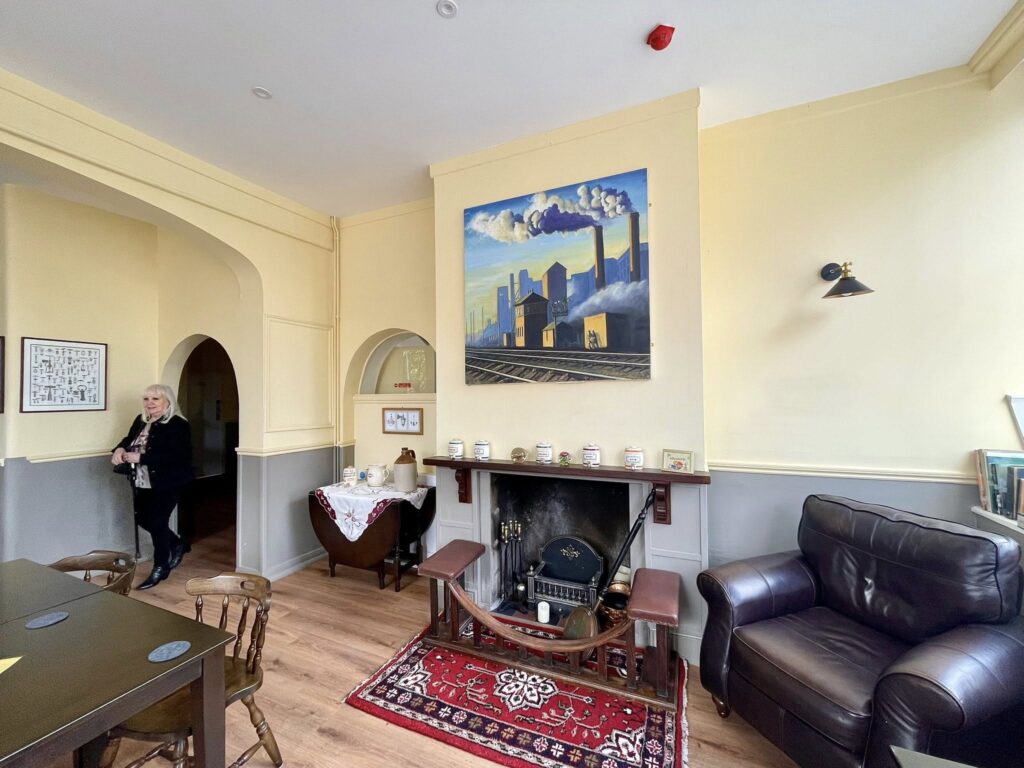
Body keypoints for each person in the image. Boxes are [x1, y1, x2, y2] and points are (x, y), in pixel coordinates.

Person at [112, 384, 194, 590]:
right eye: (147, 399)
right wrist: (119, 449)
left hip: (168, 481)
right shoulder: (141, 421)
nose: (150, 404)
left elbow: (177, 456)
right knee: (143, 518)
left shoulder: (178, 424)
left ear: (167, 401)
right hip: (142, 480)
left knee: (157, 521)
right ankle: (177, 543)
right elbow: (128, 440)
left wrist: (141, 457)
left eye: (155, 399)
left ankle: (161, 566)